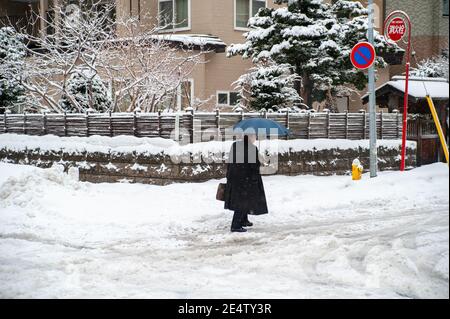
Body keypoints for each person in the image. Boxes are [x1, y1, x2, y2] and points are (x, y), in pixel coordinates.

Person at [224, 133, 268, 232]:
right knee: (242, 201)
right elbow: (253, 166)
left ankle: (244, 220)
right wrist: (259, 162)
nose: (255, 138)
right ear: (249, 137)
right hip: (245, 179)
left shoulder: (235, 145)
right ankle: (235, 225)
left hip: (234, 177)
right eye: (254, 137)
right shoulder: (252, 148)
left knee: (243, 200)